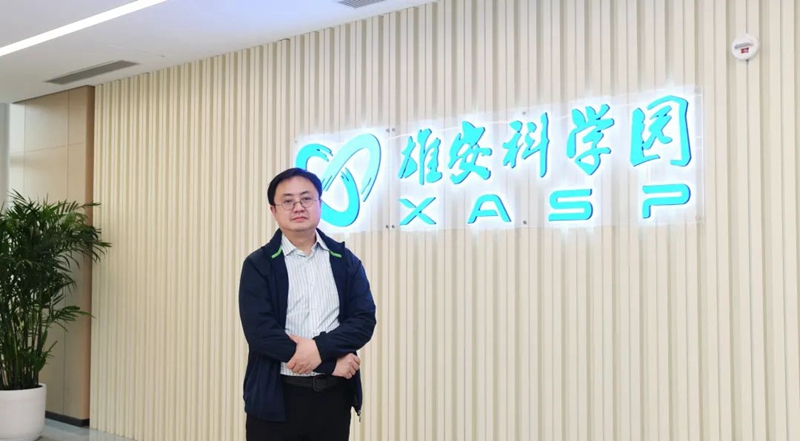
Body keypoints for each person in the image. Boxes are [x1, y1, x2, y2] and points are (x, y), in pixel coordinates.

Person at [238, 167, 377, 441]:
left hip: (333, 399)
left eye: (306, 198)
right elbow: (260, 333)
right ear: (273, 210)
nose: (298, 207)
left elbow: (363, 321)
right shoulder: (259, 264)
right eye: (288, 201)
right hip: (275, 398)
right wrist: (329, 364)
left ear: (320, 204)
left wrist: (318, 348)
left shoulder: (345, 261)